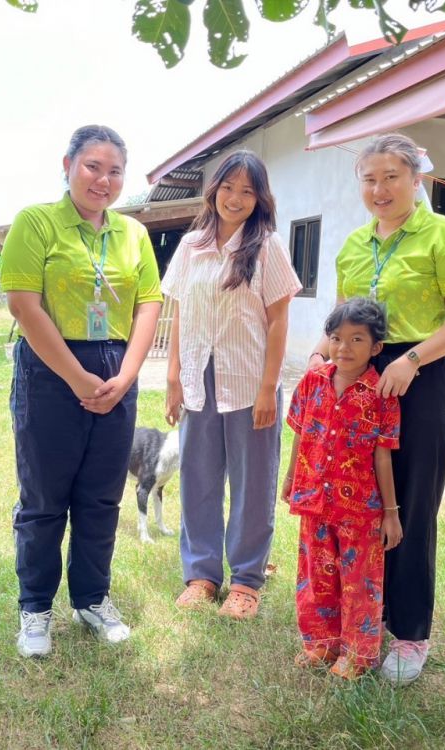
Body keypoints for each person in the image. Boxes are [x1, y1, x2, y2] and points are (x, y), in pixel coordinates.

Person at [308, 132, 445, 684]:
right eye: (369, 179)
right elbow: (341, 322)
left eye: (391, 177)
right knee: (361, 501)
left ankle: (409, 632)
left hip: (421, 377)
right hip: (357, 380)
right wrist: (319, 357)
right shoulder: (353, 245)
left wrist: (411, 359)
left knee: (410, 502)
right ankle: (365, 615)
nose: (379, 189)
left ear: (416, 179)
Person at [2, 125, 162, 658]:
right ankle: (35, 608)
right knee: (44, 499)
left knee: (101, 496)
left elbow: (149, 304)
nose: (103, 180)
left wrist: (128, 375)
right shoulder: (36, 222)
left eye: (115, 171)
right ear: (67, 164)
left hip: (116, 370)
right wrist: (76, 376)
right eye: (93, 166)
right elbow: (23, 304)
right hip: (51, 370)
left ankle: (92, 598)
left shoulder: (133, 233)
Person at [163, 150, 301, 619]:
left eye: (247, 190)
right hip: (198, 377)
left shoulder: (268, 246)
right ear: (214, 190)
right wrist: (173, 378)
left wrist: (268, 388)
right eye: (228, 187)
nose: (235, 198)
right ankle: (201, 574)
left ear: (260, 198)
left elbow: (278, 320)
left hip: (248, 378)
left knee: (252, 482)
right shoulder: (191, 245)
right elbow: (180, 312)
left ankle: (245, 580)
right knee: (197, 477)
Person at [282, 298, 402, 679]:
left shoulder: (382, 395)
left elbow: (383, 456)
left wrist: (391, 513)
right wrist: (291, 478)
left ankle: (357, 653)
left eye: (356, 339)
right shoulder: (312, 383)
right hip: (314, 499)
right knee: (316, 574)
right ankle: (321, 642)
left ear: (376, 348)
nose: (343, 348)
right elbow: (300, 435)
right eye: (336, 338)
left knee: (359, 581)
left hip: (361, 510)